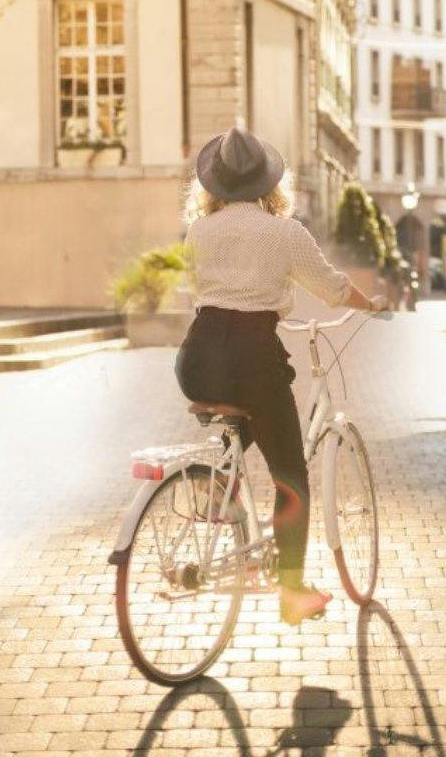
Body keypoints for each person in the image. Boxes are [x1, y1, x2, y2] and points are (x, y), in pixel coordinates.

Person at [176, 126, 380, 626]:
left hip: (197, 359)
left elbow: (196, 291)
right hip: (253, 358)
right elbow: (331, 287)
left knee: (240, 424)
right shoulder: (284, 233)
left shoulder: (199, 231)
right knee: (290, 472)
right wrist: (369, 303)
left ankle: (218, 484)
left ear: (214, 184)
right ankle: (292, 589)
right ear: (269, 183)